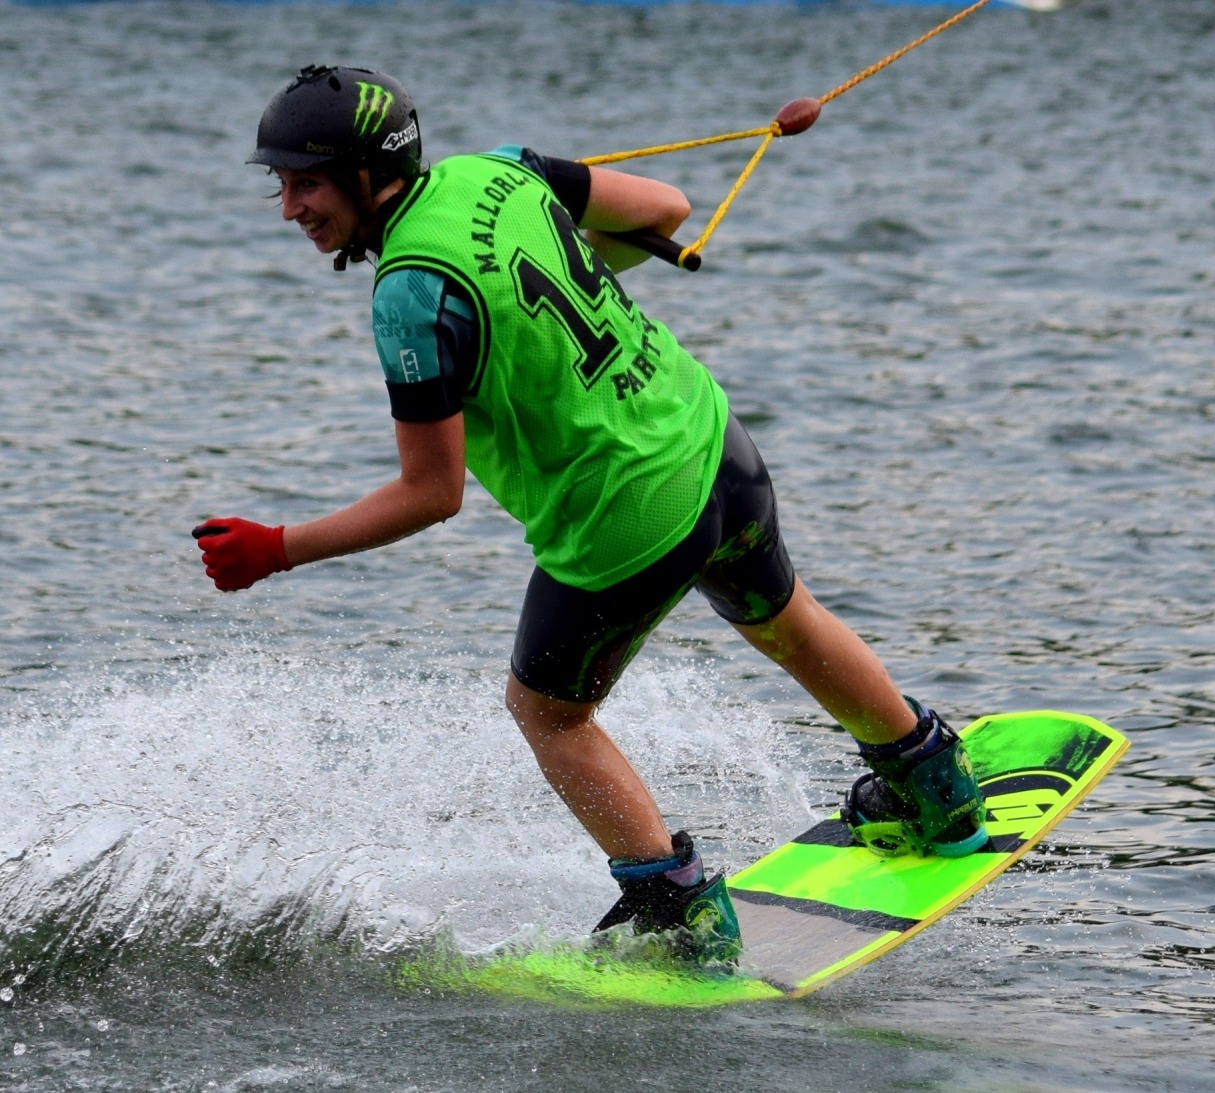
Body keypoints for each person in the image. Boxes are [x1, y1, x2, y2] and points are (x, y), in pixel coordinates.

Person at [193, 65, 987, 964]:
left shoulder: (411, 291)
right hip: (710, 442)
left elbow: (431, 491)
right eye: (282, 184)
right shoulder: (498, 169)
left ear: (372, 175)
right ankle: (936, 788)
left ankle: (675, 909)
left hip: (626, 516)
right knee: (785, 619)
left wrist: (278, 549)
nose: (291, 206)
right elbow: (667, 206)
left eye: (308, 183)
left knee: (549, 715)